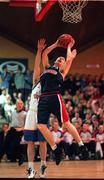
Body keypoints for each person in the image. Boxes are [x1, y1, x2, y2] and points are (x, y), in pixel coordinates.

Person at [37, 38, 89, 165]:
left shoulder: (62, 72)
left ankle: (82, 146)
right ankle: (56, 150)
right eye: (59, 58)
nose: (60, 59)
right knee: (41, 126)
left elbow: (69, 58)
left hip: (55, 97)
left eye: (63, 59)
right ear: (55, 61)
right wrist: (56, 44)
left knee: (66, 123)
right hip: (43, 98)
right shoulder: (47, 67)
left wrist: (69, 48)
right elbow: (44, 54)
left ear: (63, 64)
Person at [24, 39, 47, 178]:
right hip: (31, 115)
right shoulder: (36, 81)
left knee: (43, 142)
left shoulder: (50, 86)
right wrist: (39, 50)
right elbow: (37, 65)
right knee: (30, 142)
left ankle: (43, 166)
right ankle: (31, 169)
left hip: (42, 115)